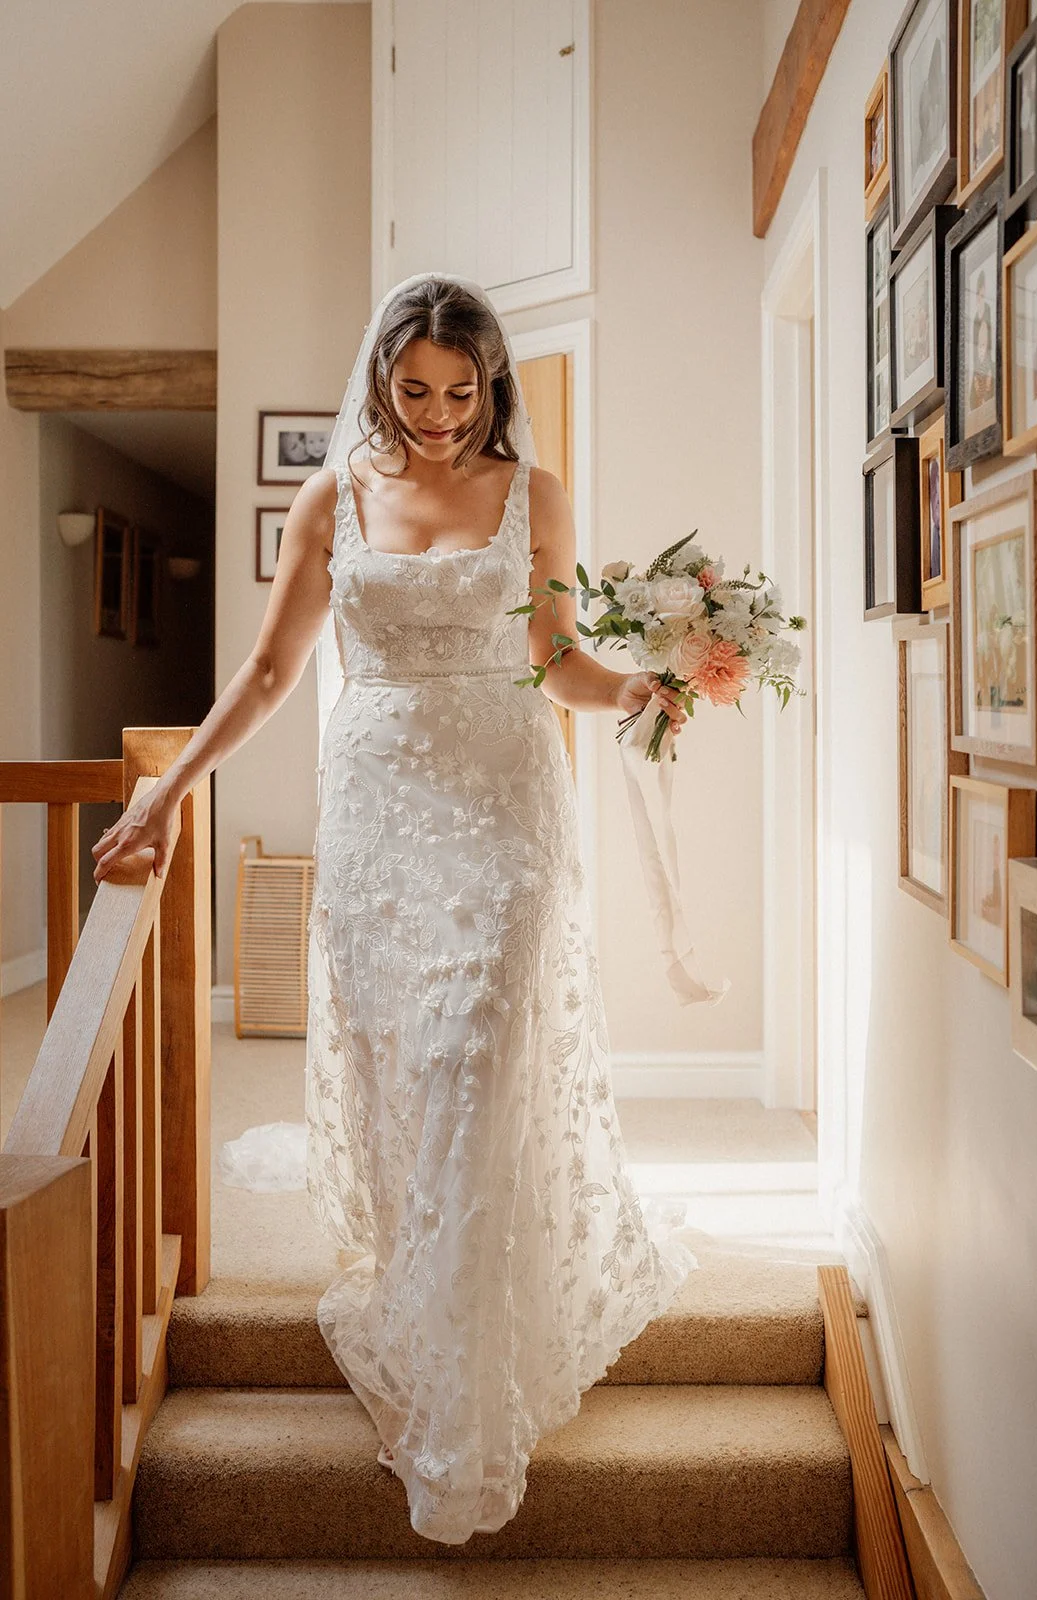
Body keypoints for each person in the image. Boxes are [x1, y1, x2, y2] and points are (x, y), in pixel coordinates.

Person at [92, 271, 698, 1544]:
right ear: (381, 380)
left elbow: (556, 661)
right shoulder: (332, 496)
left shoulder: (532, 497)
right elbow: (266, 672)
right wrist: (164, 796)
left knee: (477, 1057)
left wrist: (641, 687)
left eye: (459, 392)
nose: (434, 416)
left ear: (493, 390)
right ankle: (425, 1325)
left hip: (504, 811)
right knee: (409, 1083)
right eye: (412, 390)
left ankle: (467, 1402)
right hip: (379, 818)